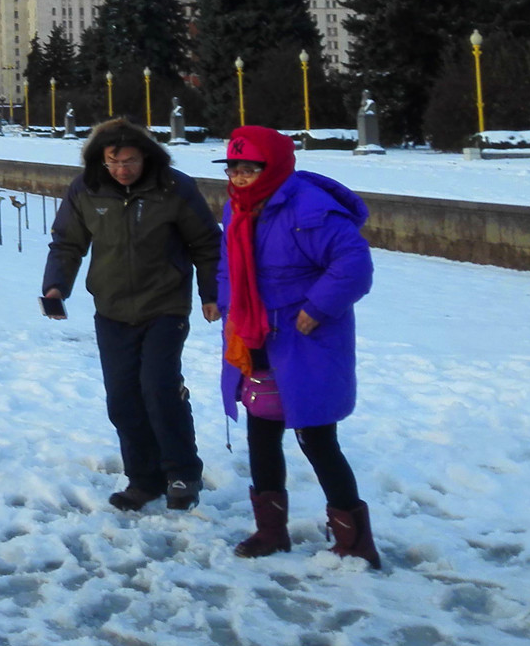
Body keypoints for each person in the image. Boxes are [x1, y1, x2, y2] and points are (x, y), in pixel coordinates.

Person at [215, 125, 381, 567]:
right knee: (261, 432)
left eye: (250, 167)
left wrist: (318, 307)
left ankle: (355, 542)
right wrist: (225, 303)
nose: (241, 176)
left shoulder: (310, 208)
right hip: (254, 335)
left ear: (274, 166)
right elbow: (227, 264)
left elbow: (354, 265)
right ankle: (271, 532)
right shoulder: (237, 208)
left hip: (305, 340)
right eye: (234, 167)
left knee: (317, 437)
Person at [42, 117, 222, 511]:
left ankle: (181, 473)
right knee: (122, 399)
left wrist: (212, 293)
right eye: (113, 161)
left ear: (146, 157)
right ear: (100, 160)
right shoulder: (86, 189)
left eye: (130, 161)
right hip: (112, 309)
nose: (122, 169)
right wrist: (56, 287)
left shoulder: (175, 188)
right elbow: (67, 243)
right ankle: (143, 479)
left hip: (165, 305)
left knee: (158, 388)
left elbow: (207, 243)